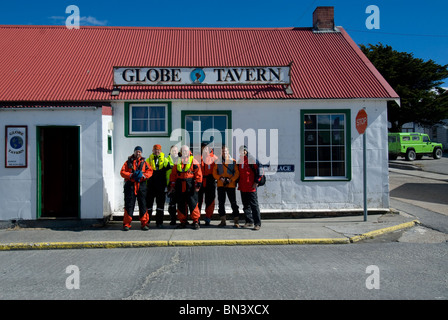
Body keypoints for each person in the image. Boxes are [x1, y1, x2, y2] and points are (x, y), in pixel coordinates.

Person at [169, 145, 203, 229]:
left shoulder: (193, 161)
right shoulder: (177, 162)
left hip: (190, 184)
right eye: (182, 151)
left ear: (189, 151)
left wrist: (198, 185)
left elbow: (198, 174)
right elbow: (173, 175)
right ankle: (182, 221)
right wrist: (172, 185)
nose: (184, 152)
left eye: (185, 151)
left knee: (193, 203)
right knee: (181, 204)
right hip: (180, 184)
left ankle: (195, 221)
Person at [120, 146, 153, 231]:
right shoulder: (128, 162)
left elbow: (150, 171)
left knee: (143, 205)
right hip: (130, 186)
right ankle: (126, 224)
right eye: (137, 152)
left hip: (141, 186)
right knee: (129, 205)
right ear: (134, 152)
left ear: (141, 153)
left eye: (139, 152)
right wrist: (130, 175)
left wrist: (143, 176)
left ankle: (144, 223)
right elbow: (122, 172)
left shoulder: (144, 163)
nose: (138, 153)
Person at [213, 145, 240, 227]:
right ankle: (223, 221)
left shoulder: (233, 161)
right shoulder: (218, 161)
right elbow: (214, 173)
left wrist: (231, 180)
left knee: (233, 202)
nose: (224, 152)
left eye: (226, 151)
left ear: (228, 152)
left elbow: (237, 173)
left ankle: (236, 221)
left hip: (231, 185)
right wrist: (219, 178)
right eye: (223, 151)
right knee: (221, 203)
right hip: (221, 184)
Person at [237, 145, 262, 230]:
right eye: (241, 151)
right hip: (243, 187)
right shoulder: (239, 161)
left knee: (254, 206)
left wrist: (257, 181)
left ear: (246, 151)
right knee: (246, 205)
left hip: (251, 186)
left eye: (244, 150)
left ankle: (257, 223)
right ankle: (249, 221)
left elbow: (260, 170)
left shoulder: (252, 159)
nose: (243, 152)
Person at [146, 144, 171, 228]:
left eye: (158, 150)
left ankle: (159, 222)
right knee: (149, 205)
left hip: (161, 185)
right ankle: (146, 222)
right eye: (155, 150)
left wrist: (168, 185)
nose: (157, 151)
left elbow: (168, 173)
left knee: (160, 205)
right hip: (150, 186)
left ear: (161, 151)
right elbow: (144, 173)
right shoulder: (148, 160)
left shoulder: (165, 160)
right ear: (152, 151)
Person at [198, 143, 218, 226]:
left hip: (210, 181)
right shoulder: (197, 158)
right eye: (203, 148)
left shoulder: (214, 158)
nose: (205, 149)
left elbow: (219, 169)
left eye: (206, 148)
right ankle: (197, 218)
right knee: (198, 200)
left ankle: (208, 217)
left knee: (210, 200)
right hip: (200, 181)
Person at [166, 145, 179, 225]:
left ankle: (182, 219)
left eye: (175, 150)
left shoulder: (181, 159)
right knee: (172, 204)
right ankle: (173, 219)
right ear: (170, 151)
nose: (174, 152)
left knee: (181, 203)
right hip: (170, 184)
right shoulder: (166, 160)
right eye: (173, 150)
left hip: (180, 184)